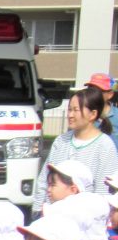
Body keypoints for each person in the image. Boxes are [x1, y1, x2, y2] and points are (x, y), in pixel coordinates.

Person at [32, 87, 118, 215]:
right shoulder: (61, 141)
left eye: (76, 110)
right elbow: (44, 179)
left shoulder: (105, 145)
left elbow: (103, 192)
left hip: (86, 221)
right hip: (53, 217)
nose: (70, 115)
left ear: (93, 114)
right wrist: (38, 209)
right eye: (69, 110)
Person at [84, 72, 118, 145]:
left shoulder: (116, 116)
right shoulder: (81, 114)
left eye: (98, 90)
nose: (93, 94)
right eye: (90, 89)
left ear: (110, 94)